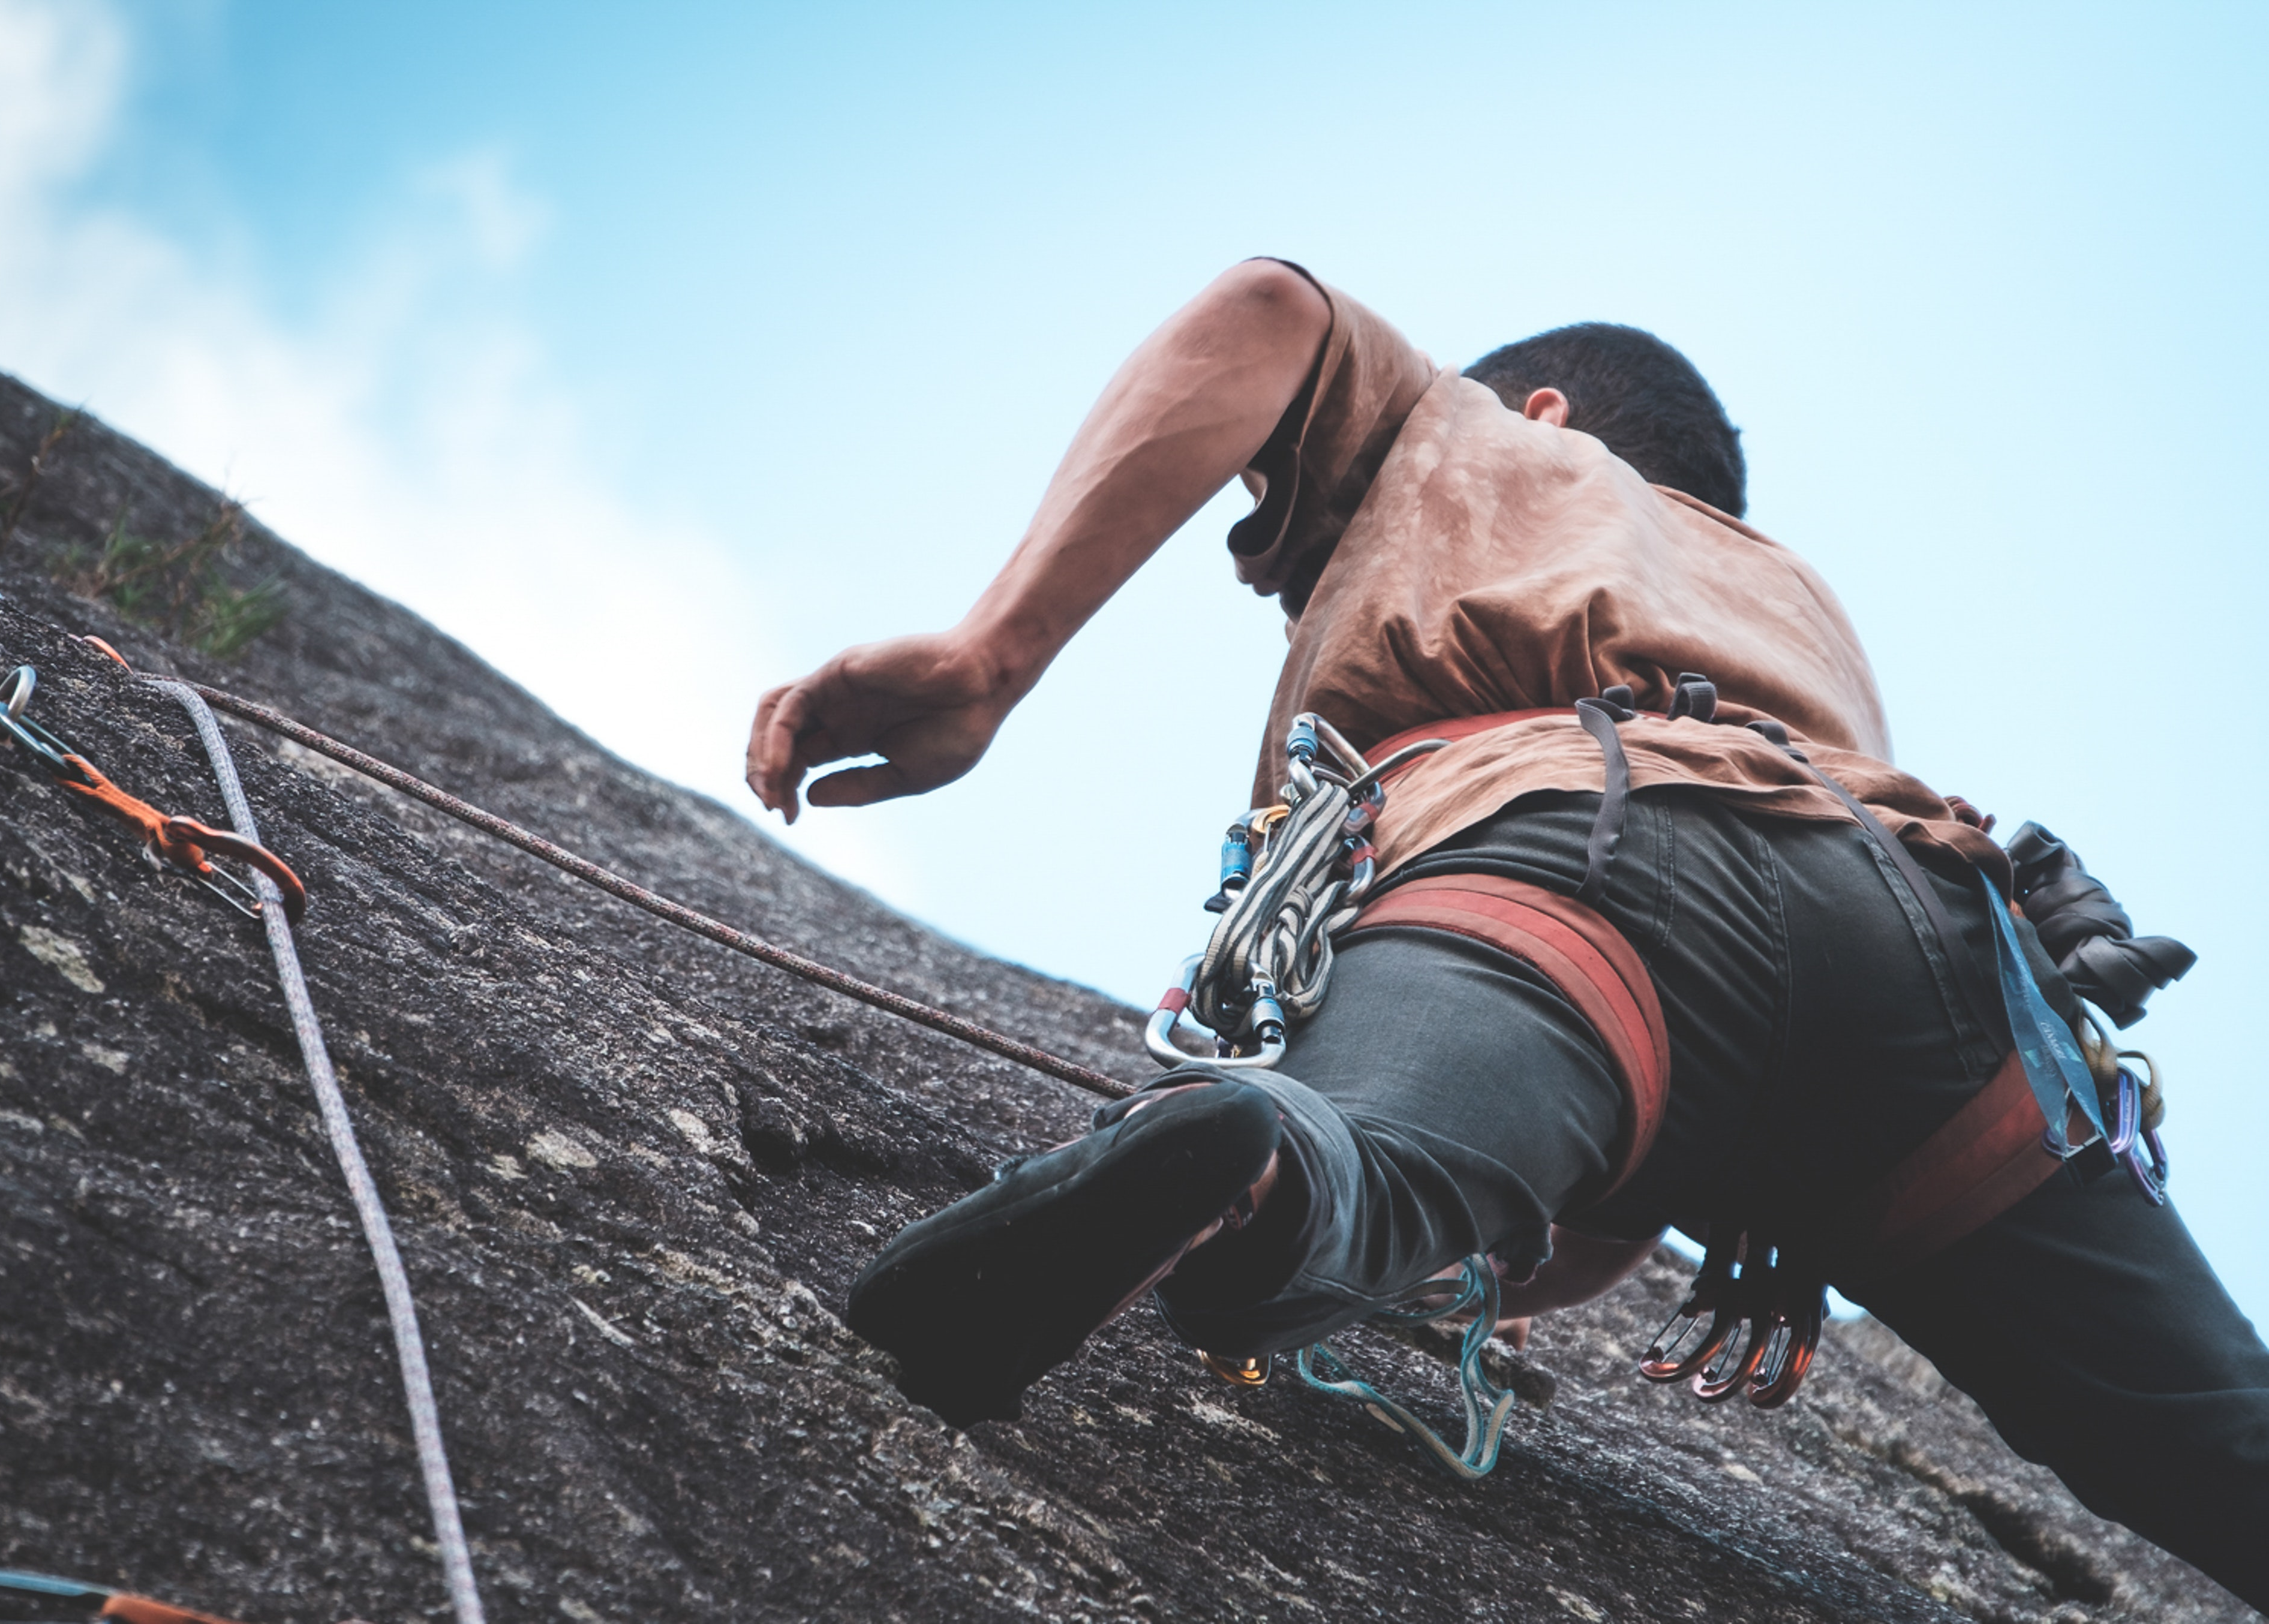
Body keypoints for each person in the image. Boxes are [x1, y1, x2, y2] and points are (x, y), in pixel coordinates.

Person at [742, 259, 2269, 1606]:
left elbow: (1268, 312)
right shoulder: (1790, 606)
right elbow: (1604, 1191)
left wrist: (992, 654)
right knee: (2211, 1434)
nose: (1283, 583)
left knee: (1348, 1161)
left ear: (1536, 410)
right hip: (1923, 947)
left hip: (1570, 860)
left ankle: (1266, 1177)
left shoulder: (1484, 446)